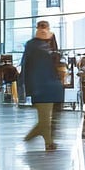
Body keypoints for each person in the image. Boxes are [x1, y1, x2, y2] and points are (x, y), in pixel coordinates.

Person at [21, 22, 65, 150]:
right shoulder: (39, 48)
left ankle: (47, 142)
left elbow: (28, 68)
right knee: (45, 120)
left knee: (46, 120)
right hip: (44, 88)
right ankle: (47, 143)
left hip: (47, 87)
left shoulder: (39, 47)